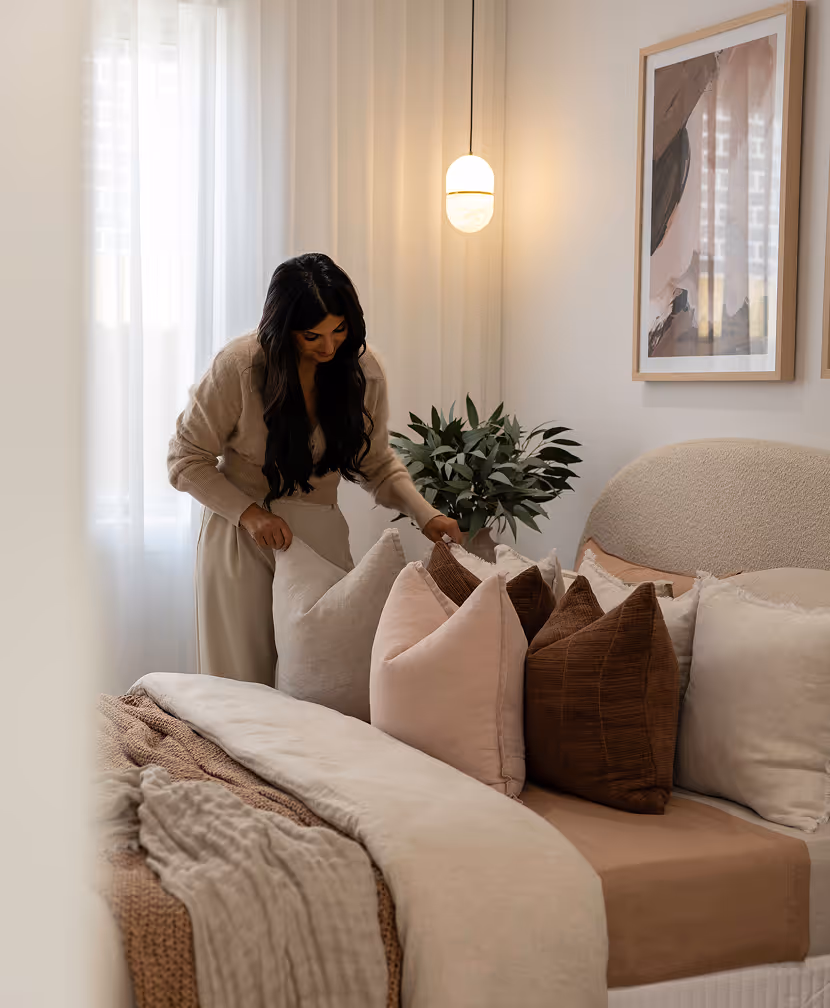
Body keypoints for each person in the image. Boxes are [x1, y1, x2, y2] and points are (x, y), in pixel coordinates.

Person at [168, 252, 461, 685]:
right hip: (239, 535)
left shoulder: (364, 374)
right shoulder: (239, 367)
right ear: (283, 329)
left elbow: (375, 463)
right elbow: (184, 458)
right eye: (312, 335)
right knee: (239, 686)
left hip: (319, 535)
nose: (328, 346)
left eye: (339, 330)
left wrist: (426, 513)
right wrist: (250, 514)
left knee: (325, 680)